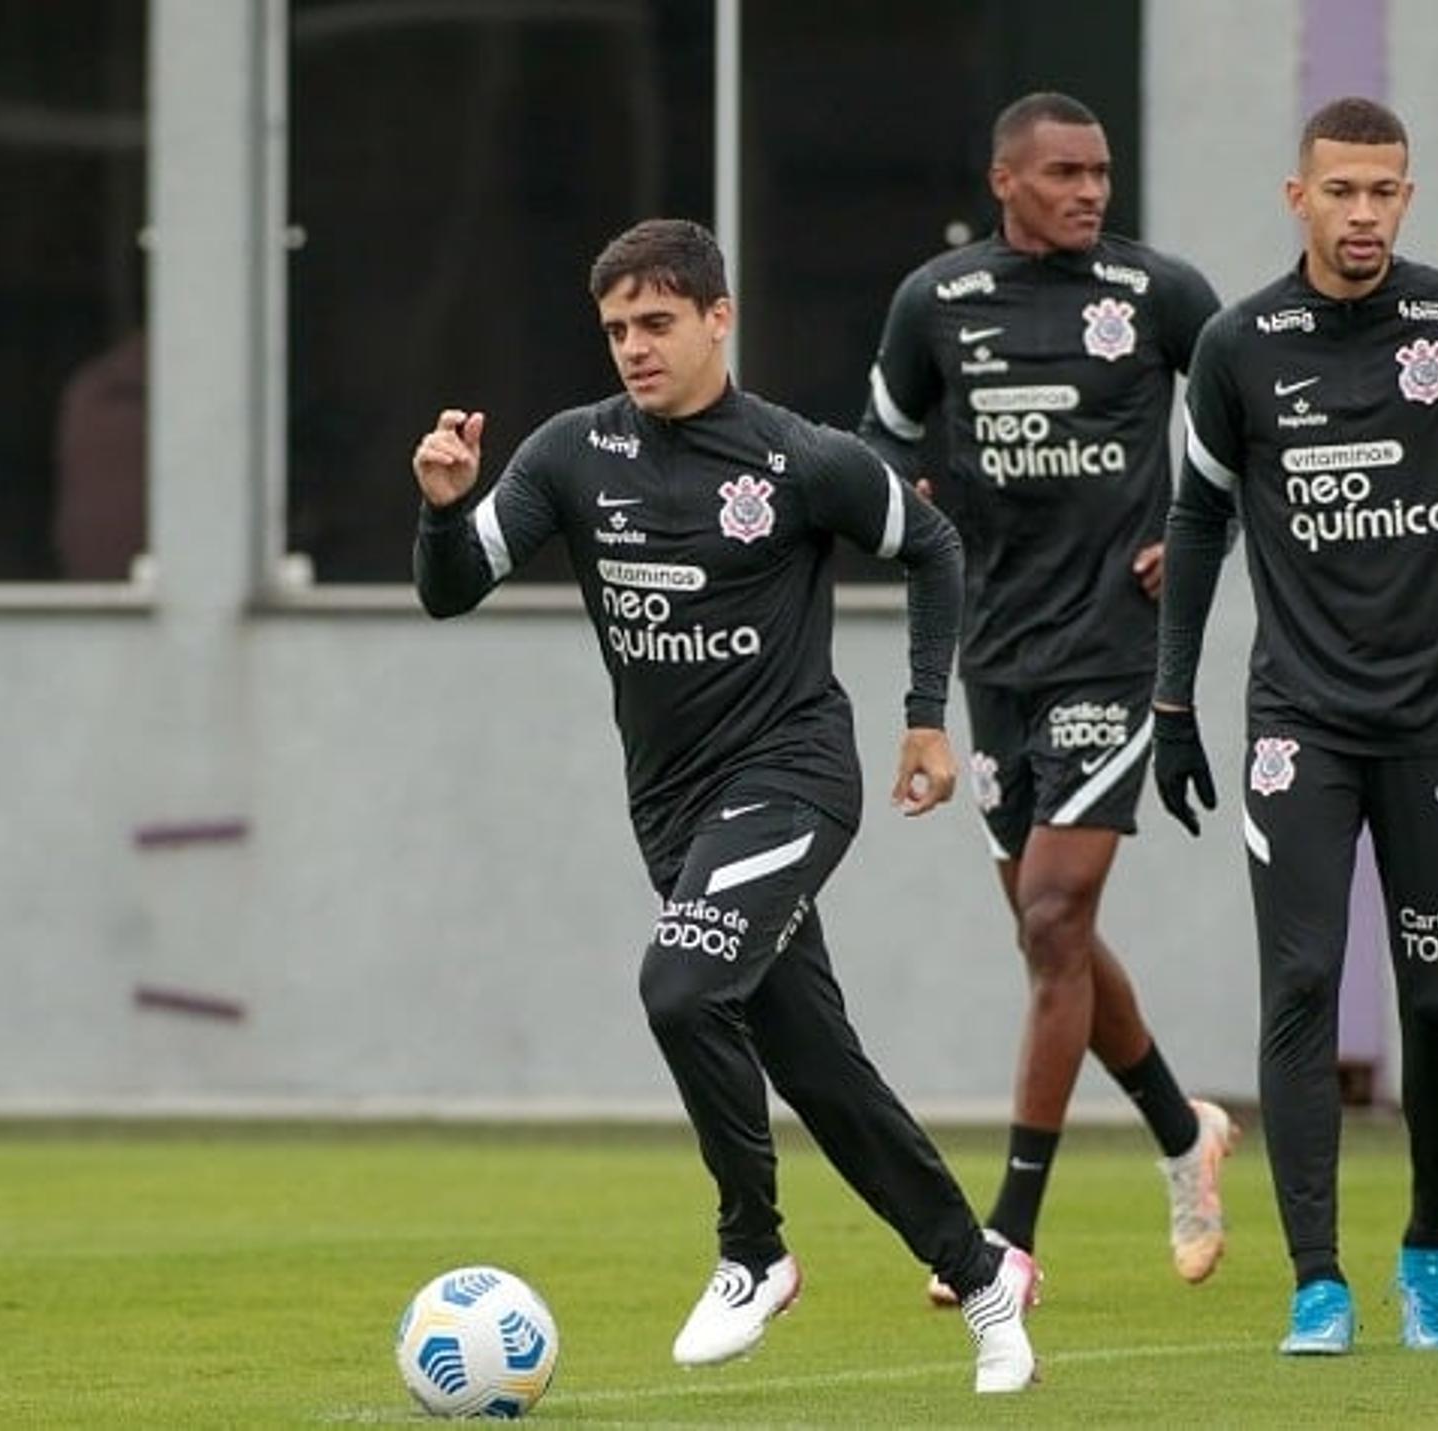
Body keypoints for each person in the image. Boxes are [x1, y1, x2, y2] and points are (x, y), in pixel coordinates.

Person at [412, 218, 1039, 1393]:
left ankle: (753, 1250)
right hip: (677, 814)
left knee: (679, 984)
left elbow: (935, 546)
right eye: (616, 331)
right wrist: (446, 510)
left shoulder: (799, 461)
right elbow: (453, 592)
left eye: (657, 323)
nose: (635, 349)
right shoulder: (567, 456)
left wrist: (920, 716)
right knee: (822, 1074)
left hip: (794, 778)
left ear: (718, 318)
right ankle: (987, 1283)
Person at [1152, 96, 1438, 1355]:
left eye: (1386, 190)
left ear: (1408, 196)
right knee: (1301, 983)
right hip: (1303, 724)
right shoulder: (1239, 344)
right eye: (1342, 191)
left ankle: (1430, 1249)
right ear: (1300, 200)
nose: (1366, 213)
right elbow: (1197, 518)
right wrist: (1172, 702)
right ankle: (1317, 1282)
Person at [857, 91, 1238, 1307]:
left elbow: (1255, 419)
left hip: (1118, 648)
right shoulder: (937, 302)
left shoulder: (1157, 294)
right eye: (1065, 173)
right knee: (1048, 924)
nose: (1090, 192)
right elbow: (883, 444)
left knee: (1053, 916)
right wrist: (906, 501)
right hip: (995, 659)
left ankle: (1007, 1235)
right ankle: (1184, 1131)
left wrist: (1199, 529)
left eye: (1102, 173)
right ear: (1006, 180)